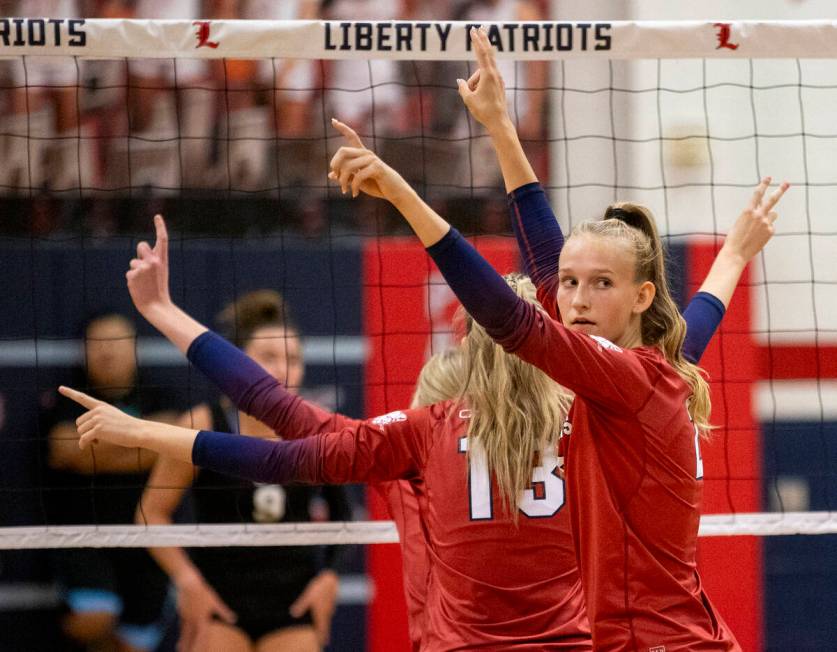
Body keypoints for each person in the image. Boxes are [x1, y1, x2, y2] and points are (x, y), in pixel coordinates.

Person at [323, 27, 791, 651]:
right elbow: (655, 302)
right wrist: (734, 251)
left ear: (641, 296)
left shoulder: (623, 377)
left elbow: (507, 312)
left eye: (597, 284)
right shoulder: (659, 368)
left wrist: (402, 194)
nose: (573, 299)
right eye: (571, 285)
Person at [62, 229, 594, 648]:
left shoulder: (427, 431)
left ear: (471, 351)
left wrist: (159, 331)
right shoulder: (595, 424)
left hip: (458, 643)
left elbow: (279, 435)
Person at [136, 290, 350, 652]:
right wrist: (187, 582)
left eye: (293, 359)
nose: (283, 370)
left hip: (293, 605)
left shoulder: (319, 429)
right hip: (220, 602)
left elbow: (344, 515)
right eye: (268, 357)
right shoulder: (202, 423)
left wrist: (329, 576)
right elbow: (150, 513)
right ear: (237, 362)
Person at [43, 312, 175, 652]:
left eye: (116, 342)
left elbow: (179, 446)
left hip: (148, 543)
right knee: (95, 618)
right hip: (85, 539)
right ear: (84, 351)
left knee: (136, 643)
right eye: (97, 343)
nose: (107, 352)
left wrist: (101, 446)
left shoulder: (162, 395)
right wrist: (146, 437)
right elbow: (67, 451)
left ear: (134, 348)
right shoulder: (65, 396)